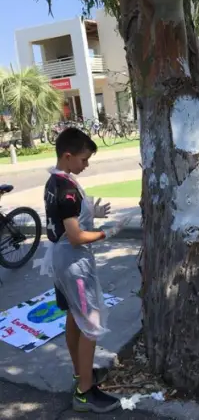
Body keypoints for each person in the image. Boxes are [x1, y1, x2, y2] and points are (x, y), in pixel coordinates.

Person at [44, 128, 125, 413]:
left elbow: (66, 216)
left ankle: (82, 374)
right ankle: (84, 393)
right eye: (83, 159)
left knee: (74, 316)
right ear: (68, 156)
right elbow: (76, 236)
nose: (86, 165)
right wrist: (106, 232)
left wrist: (91, 213)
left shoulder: (56, 179)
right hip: (73, 265)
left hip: (62, 261)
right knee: (90, 322)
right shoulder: (66, 189)